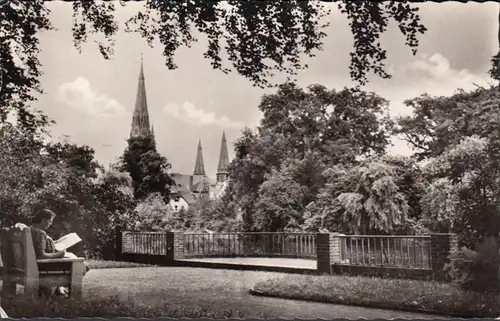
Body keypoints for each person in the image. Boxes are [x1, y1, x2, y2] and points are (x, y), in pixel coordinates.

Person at [30, 208, 89, 297]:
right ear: (43, 220)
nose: (50, 224)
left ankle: (58, 288)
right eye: (50, 221)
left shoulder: (31, 229)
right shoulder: (40, 233)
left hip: (34, 265)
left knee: (72, 258)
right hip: (43, 266)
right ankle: (70, 293)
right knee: (82, 265)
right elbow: (41, 255)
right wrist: (59, 254)